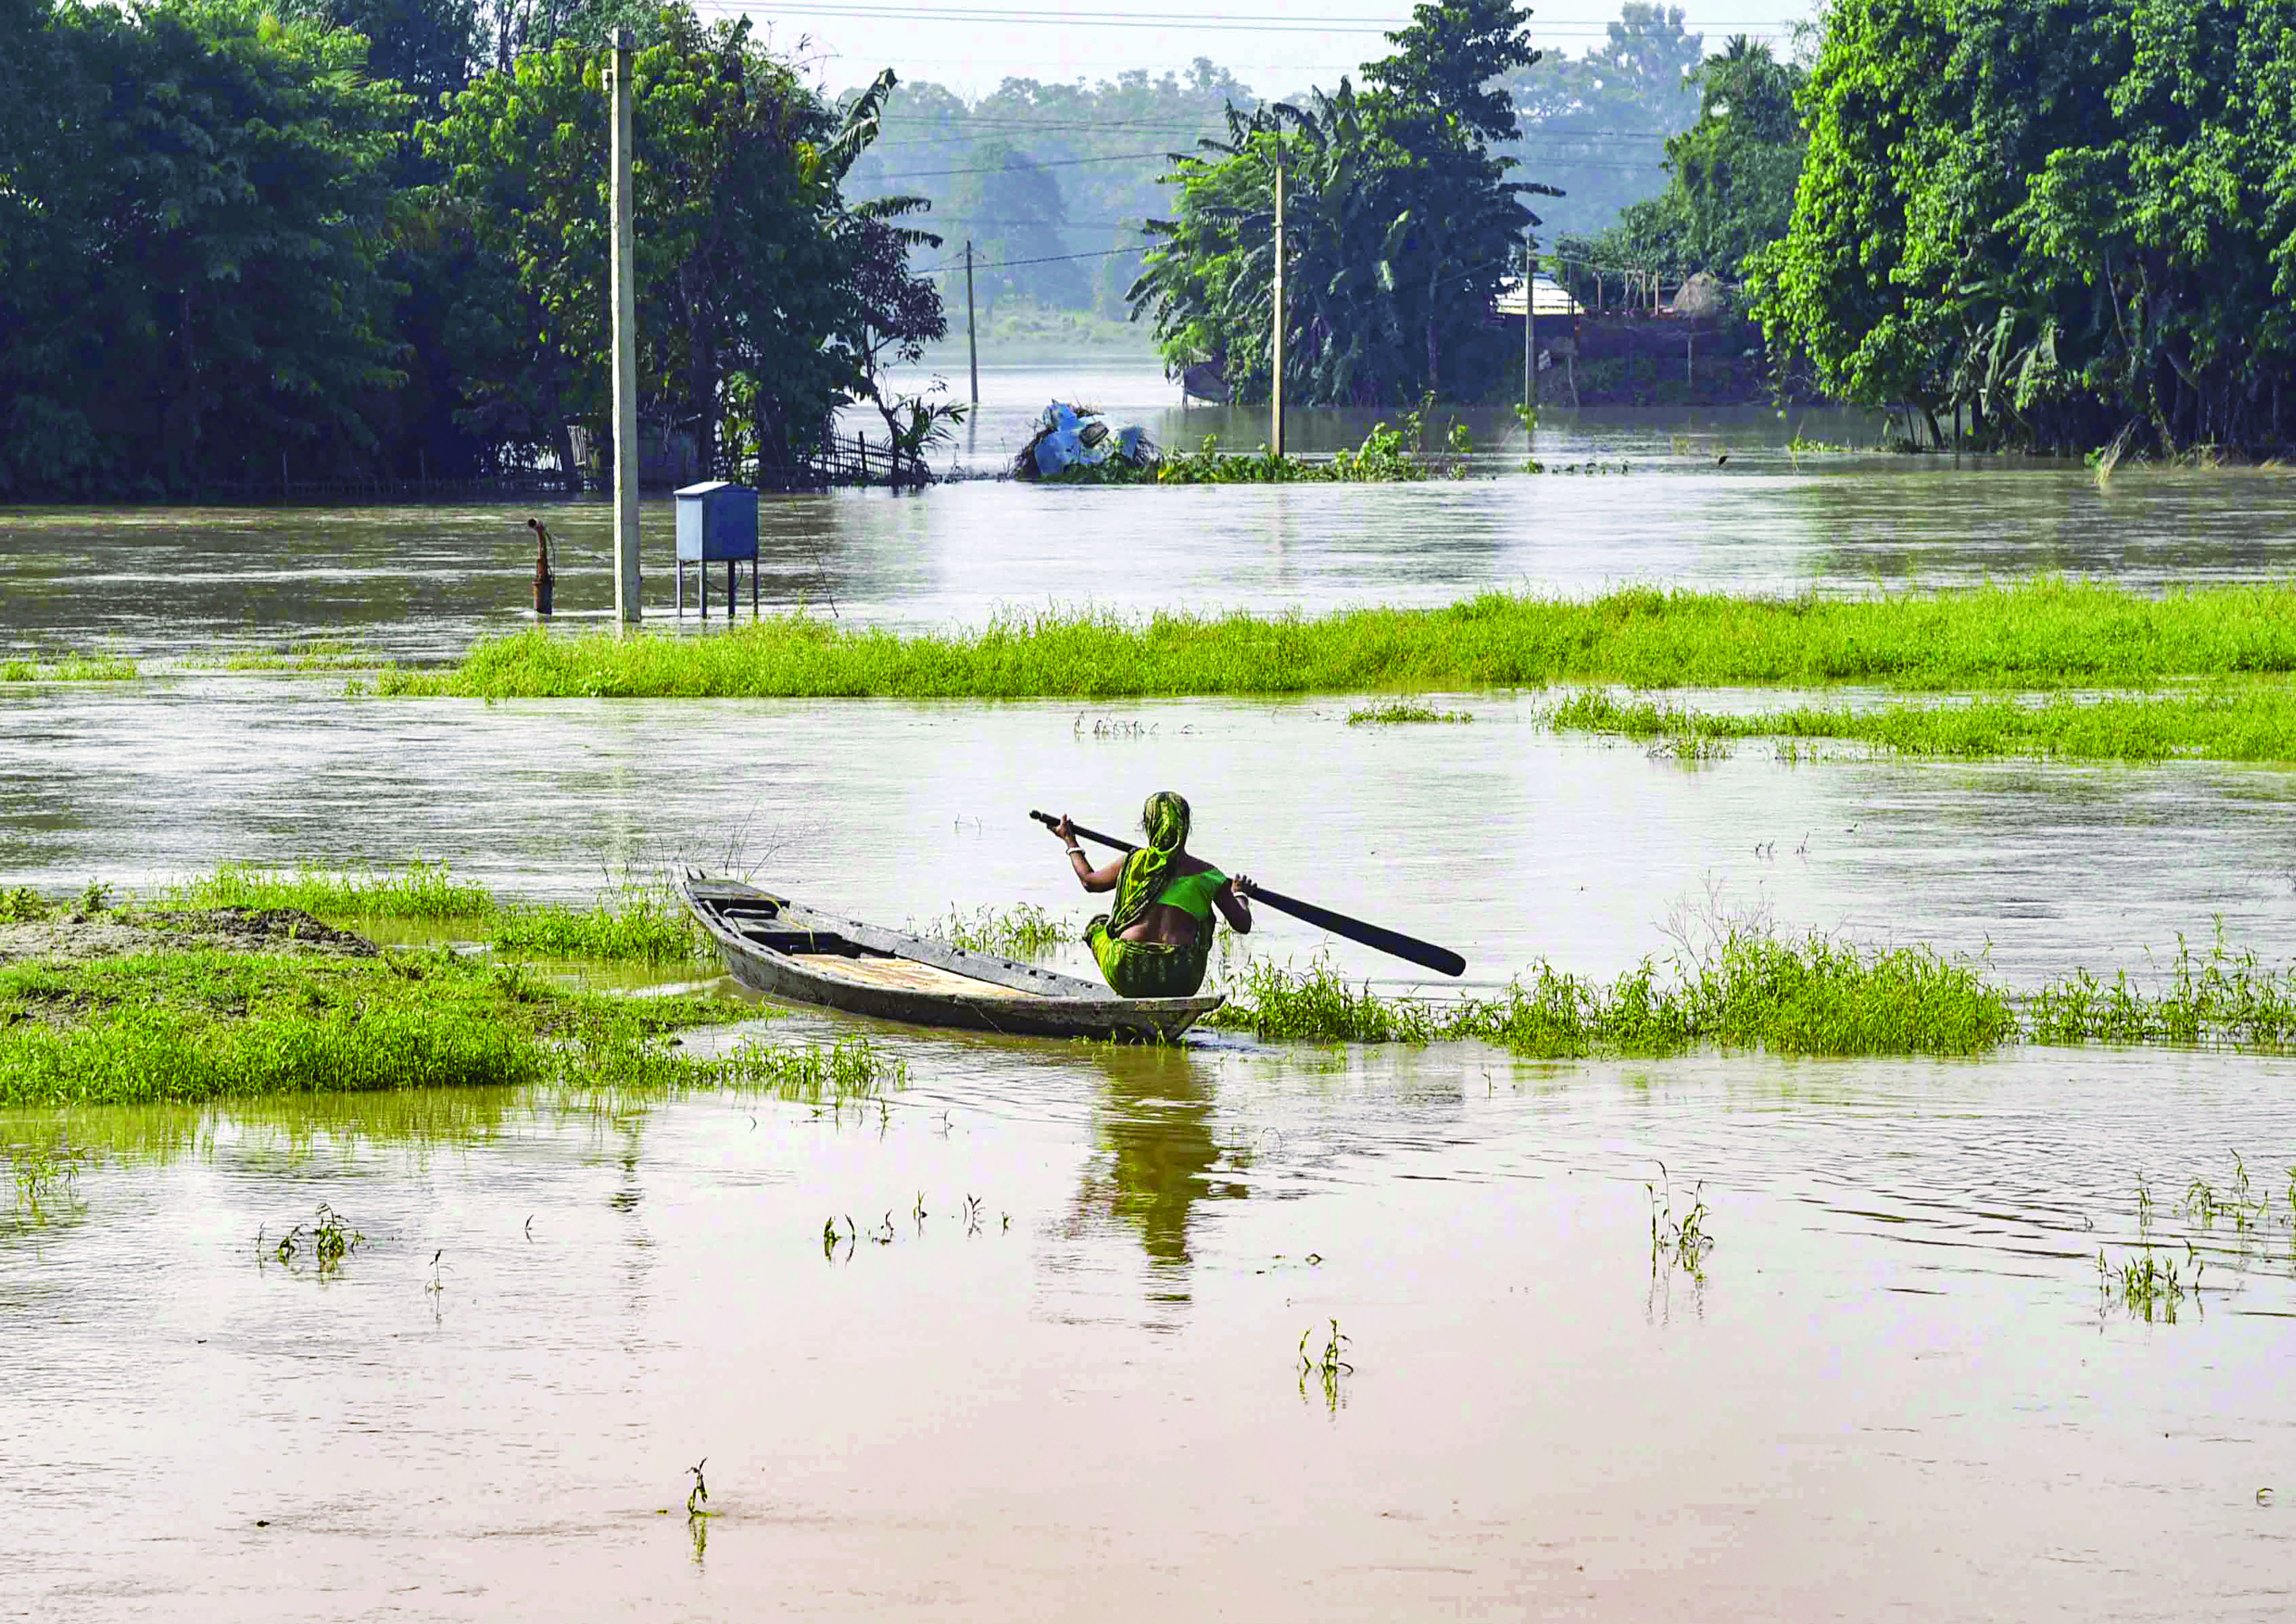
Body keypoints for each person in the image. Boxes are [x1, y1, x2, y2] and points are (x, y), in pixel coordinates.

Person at [1050, 791, 1252, 998]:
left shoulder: (1133, 862)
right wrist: (1240, 895)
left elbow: (1089, 881)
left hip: (1128, 969)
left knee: (1098, 926)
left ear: (1149, 826)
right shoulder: (1209, 876)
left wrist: (1070, 841)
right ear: (1185, 828)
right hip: (1182, 975)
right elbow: (1242, 924)